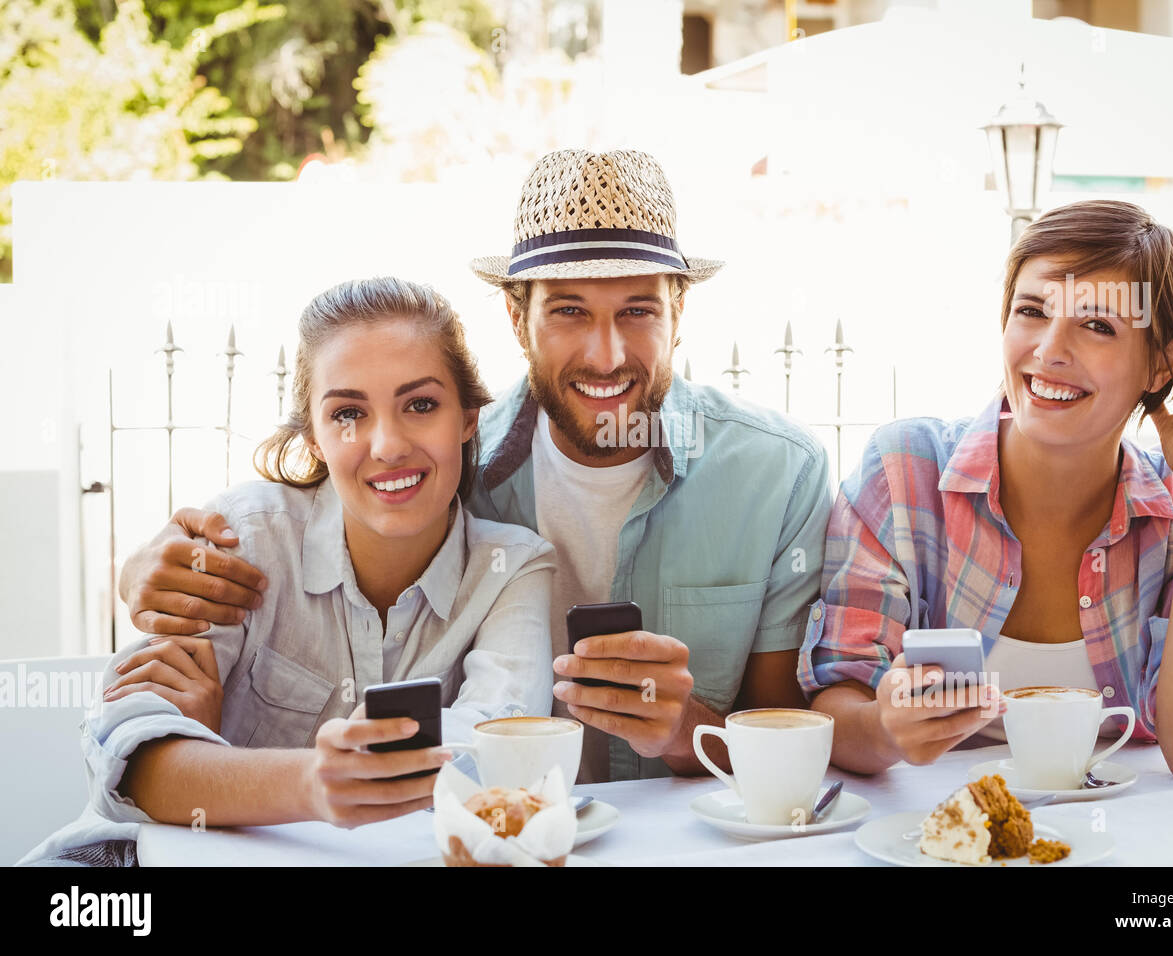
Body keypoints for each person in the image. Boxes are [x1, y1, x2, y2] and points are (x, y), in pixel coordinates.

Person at [110, 149, 833, 783]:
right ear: (518, 320)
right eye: (570, 312)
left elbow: (790, 747)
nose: (607, 355)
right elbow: (312, 502)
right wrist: (139, 570)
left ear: (680, 310)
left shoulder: (776, 475)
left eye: (639, 310)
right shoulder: (449, 461)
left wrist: (684, 729)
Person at [20, 278, 555, 864]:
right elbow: (129, 760)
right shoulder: (241, 537)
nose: (386, 444)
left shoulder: (512, 569)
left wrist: (213, 761)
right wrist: (308, 783)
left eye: (421, 405)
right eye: (348, 413)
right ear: (316, 439)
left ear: (470, 417)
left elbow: (501, 755)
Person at [799, 200, 1173, 781]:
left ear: (1162, 366)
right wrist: (886, 730)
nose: (1050, 350)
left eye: (1098, 324)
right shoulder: (906, 473)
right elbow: (836, 706)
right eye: (1031, 311)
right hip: (941, 840)